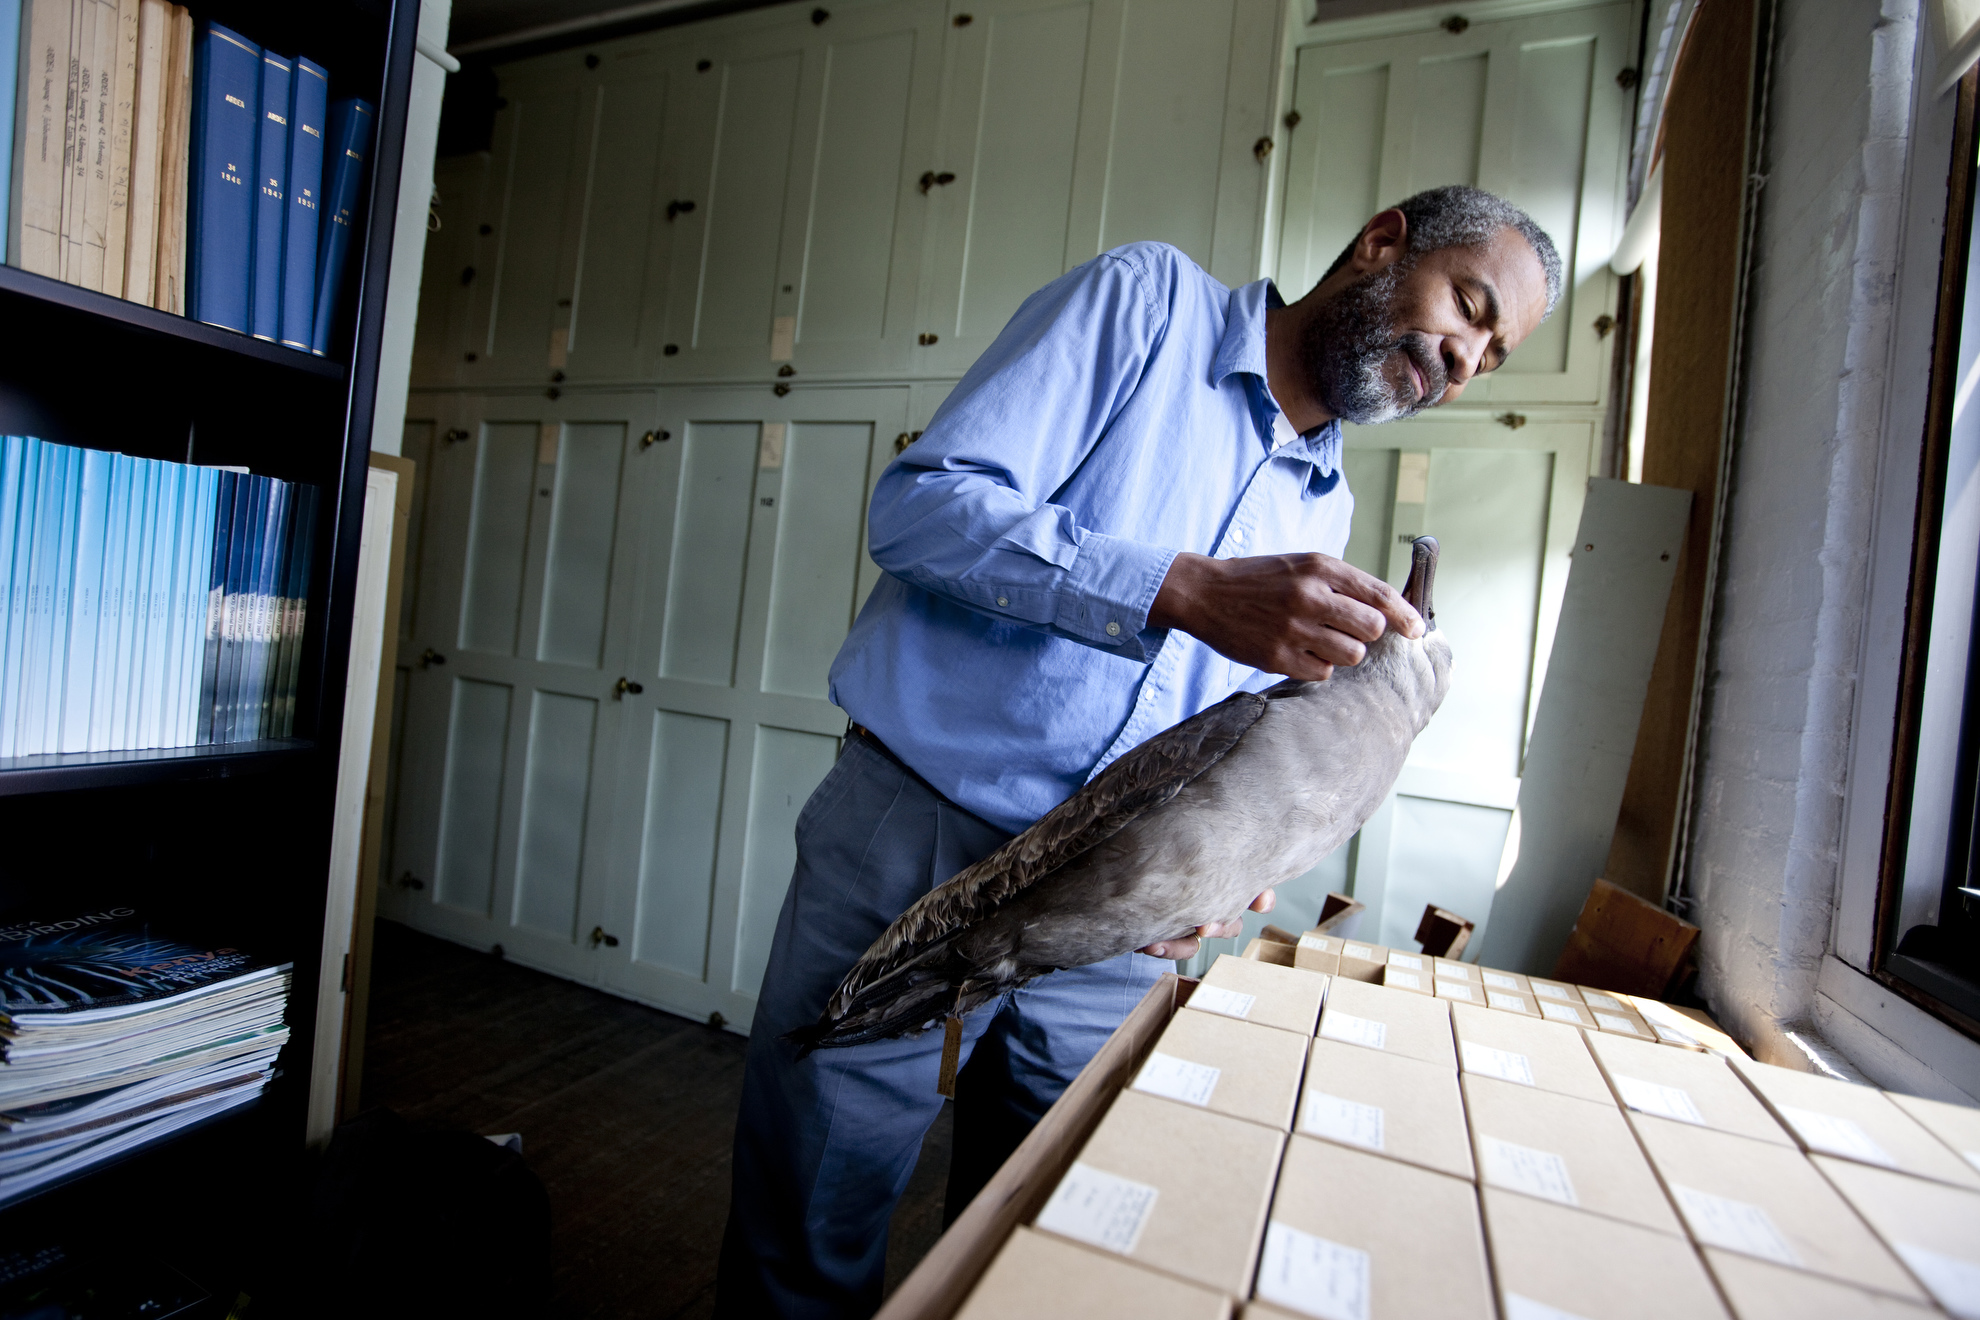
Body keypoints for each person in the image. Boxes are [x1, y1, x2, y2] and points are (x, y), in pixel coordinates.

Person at [715, 185, 1561, 1318]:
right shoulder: (1147, 306)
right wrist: (1183, 588)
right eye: (1469, 307)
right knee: (809, 1222)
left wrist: (1231, 873)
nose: (1462, 362)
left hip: (1108, 930)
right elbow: (921, 511)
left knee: (1044, 1239)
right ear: (1381, 244)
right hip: (911, 835)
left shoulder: (1326, 512)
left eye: (1492, 356)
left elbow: (1236, 754)